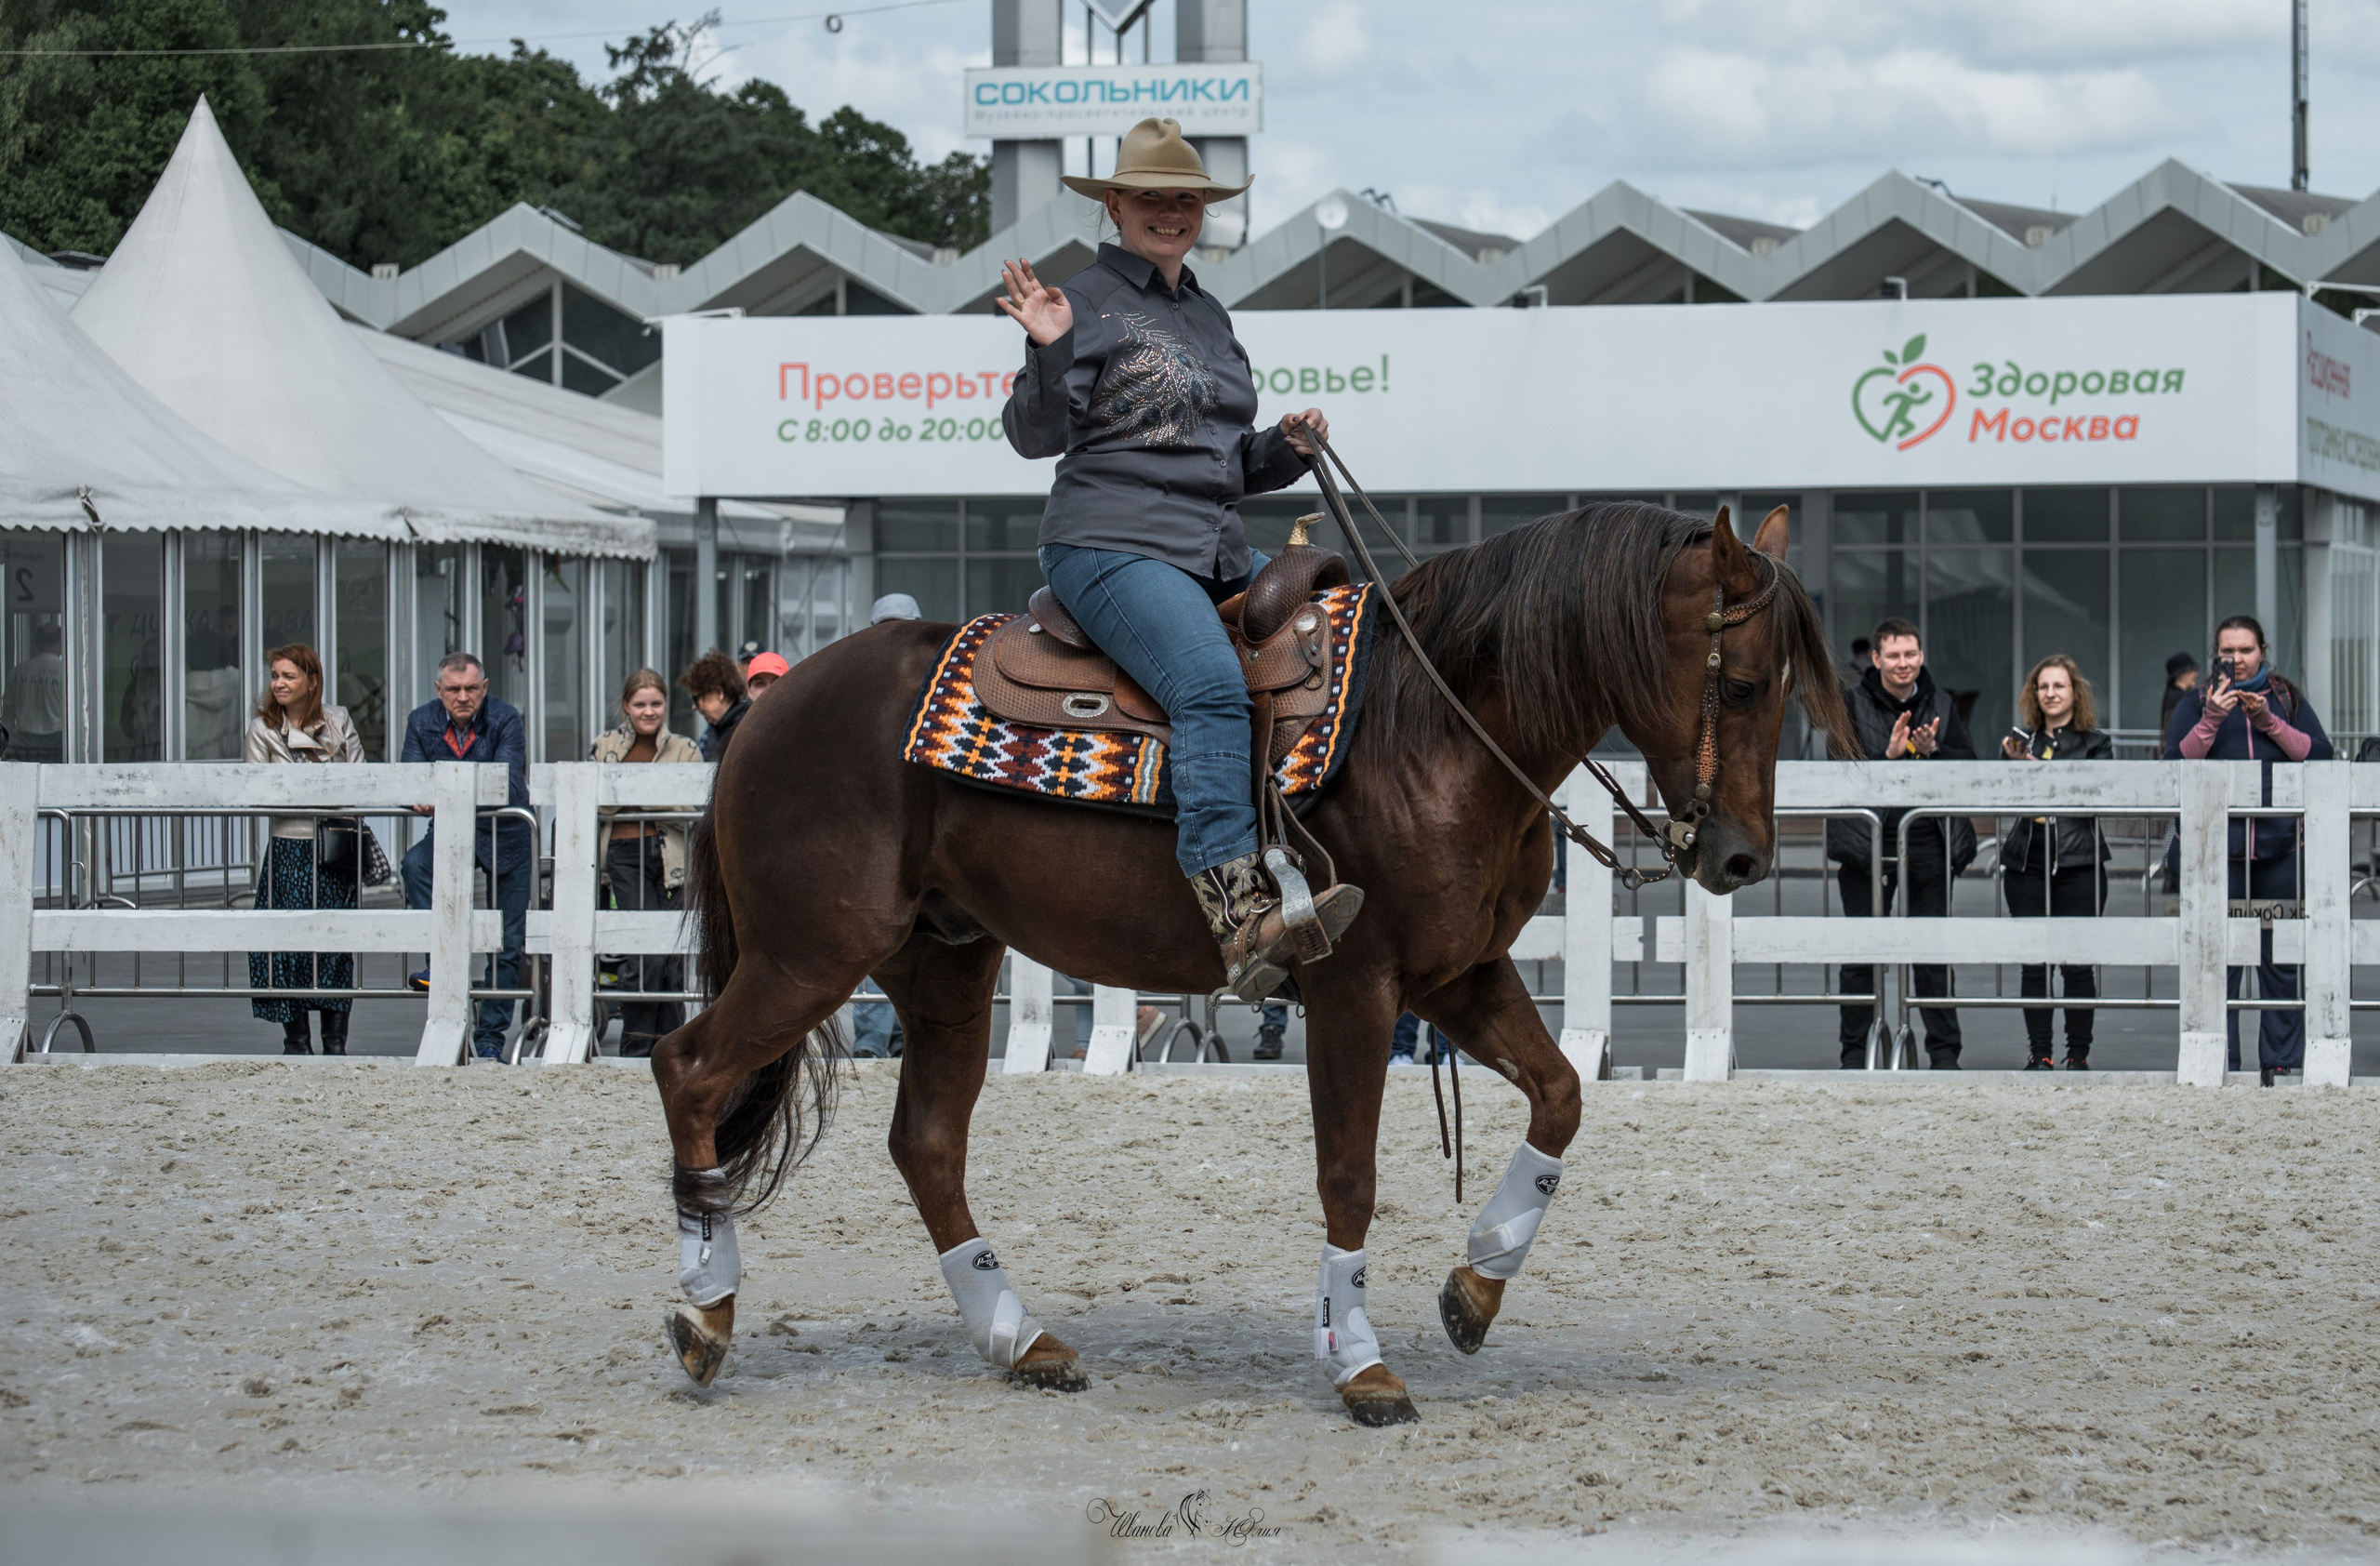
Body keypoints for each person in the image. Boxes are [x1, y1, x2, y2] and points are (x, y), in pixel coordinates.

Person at [998, 114, 1350, 1003]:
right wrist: (1045, 349)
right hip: (1111, 542)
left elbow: (1225, 464)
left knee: (1344, 630)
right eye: (1150, 198)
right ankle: (1236, 913)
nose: (1169, 212)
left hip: (1211, 542)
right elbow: (1033, 439)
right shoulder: (1077, 300)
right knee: (1205, 686)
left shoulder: (1208, 312)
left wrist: (1287, 447)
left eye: (1184, 200)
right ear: (1113, 205)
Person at [2165, 616, 2334, 1082]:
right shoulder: (2195, 701)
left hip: (2280, 853)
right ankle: (2222, 1062)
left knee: (2281, 962)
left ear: (2262, 651)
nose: (2236, 660)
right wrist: (2212, 719)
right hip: (2216, 857)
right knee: (2220, 964)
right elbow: (2174, 765)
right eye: (2228, 652)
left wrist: (2269, 722)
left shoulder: (2286, 698)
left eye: (2245, 650)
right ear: (2216, 655)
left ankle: (2281, 1065)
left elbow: (2320, 755)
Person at [1827, 617, 1977, 1068]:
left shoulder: (1942, 702)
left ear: (1921, 656)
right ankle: (1854, 1057)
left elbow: (1968, 766)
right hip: (1865, 844)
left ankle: (1945, 1057)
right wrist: (1888, 758)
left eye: (1910, 654)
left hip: (1927, 841)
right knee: (1861, 957)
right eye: (1893, 655)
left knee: (1931, 954)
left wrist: (1932, 752)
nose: (1903, 663)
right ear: (1876, 659)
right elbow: (1839, 767)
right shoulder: (1850, 703)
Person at [401, 653, 531, 1061]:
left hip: (505, 836)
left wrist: (445, 791)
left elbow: (508, 784)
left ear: (485, 687)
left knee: (507, 944)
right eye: (453, 689)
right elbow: (412, 780)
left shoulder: (507, 718)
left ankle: (491, 1037)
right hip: (449, 834)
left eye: (471, 688)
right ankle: (438, 963)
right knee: (415, 865)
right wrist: (429, 796)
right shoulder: (420, 720)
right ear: (438, 690)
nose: (463, 697)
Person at [245, 644, 365, 1055]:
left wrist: (312, 792)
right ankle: (296, 1042)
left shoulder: (338, 719)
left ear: (311, 681)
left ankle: (335, 1045)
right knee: (282, 945)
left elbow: (360, 779)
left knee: (333, 946)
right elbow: (260, 792)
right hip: (289, 849)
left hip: (334, 848)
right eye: (275, 675)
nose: (278, 683)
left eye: (288, 676)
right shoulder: (263, 728)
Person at [1999, 655, 2113, 1071]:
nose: (2050, 693)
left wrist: (2038, 771)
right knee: (2034, 963)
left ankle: (2078, 1054)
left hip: (2079, 860)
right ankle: (2039, 1053)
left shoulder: (2096, 743)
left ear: (2074, 692)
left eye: (2058, 686)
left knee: (2078, 964)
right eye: (2042, 687)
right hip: (2026, 859)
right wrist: (2011, 765)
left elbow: (2095, 794)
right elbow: (2001, 797)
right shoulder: (2021, 741)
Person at [590, 669, 703, 1056]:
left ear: (666, 706)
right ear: (626, 706)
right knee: (644, 953)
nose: (649, 711)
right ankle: (637, 1048)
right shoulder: (604, 745)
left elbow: (694, 806)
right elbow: (597, 801)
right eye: (640, 704)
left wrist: (636, 794)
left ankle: (671, 1051)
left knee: (672, 958)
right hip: (624, 856)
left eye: (656, 703)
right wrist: (662, 797)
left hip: (673, 857)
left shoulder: (685, 748)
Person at [2, 619, 67, 763]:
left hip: (24, 744)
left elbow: (7, 714)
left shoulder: (17, 672)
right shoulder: (66, 673)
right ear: (61, 643)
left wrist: (6, 746)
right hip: (56, 743)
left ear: (37, 644)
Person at [681, 651, 749, 763]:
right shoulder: (715, 732)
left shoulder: (744, 731)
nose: (694, 707)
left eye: (696, 698)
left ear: (719, 693)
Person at [2158, 653, 2200, 747]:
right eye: (2192, 669)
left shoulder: (2171, 696)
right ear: (2180, 674)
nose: (2196, 673)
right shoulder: (2183, 699)